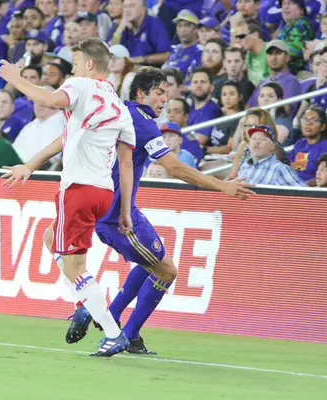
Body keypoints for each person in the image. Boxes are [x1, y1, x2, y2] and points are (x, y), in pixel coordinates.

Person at [82, 67, 254, 354]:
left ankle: (112, 319)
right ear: (141, 93)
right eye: (159, 93)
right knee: (167, 270)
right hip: (118, 215)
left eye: (167, 93)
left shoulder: (121, 111)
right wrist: (221, 185)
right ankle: (120, 331)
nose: (165, 99)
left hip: (108, 209)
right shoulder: (144, 122)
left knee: (151, 261)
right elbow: (174, 167)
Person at [0, 38, 137, 356]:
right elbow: (125, 162)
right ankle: (84, 302)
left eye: (74, 62)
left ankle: (113, 333)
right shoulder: (118, 105)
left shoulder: (81, 86)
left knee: (75, 268)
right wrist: (125, 209)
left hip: (77, 189)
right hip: (103, 191)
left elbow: (50, 99)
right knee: (51, 238)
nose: (71, 69)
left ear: (89, 64)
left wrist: (15, 79)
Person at [238, 124, 306, 186]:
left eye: (263, 139)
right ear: (249, 145)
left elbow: (305, 194)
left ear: (272, 146)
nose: (257, 142)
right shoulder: (245, 166)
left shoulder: (280, 169)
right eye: (254, 138)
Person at [13, 86, 65, 165]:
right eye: (36, 101)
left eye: (44, 101)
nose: (39, 105)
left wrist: (28, 168)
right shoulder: (30, 126)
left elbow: (52, 159)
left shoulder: (63, 123)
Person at [109, 0, 171, 66]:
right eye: (125, 6)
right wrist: (119, 30)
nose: (127, 10)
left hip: (147, 71)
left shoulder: (154, 24)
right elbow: (112, 53)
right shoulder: (121, 25)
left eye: (132, 6)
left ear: (143, 9)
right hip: (125, 70)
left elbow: (166, 55)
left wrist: (141, 59)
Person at [290, 105, 327, 184]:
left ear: (322, 127)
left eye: (313, 120)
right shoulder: (300, 144)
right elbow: (291, 167)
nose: (308, 124)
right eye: (305, 120)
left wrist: (303, 186)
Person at [247, 39, 300, 115]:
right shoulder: (263, 82)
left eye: (278, 53)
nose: (273, 58)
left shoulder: (291, 81)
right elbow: (249, 107)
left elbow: (286, 111)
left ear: (287, 57)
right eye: (270, 54)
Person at [188, 67, 222, 146]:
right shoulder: (190, 107)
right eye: (195, 82)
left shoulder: (211, 110)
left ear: (211, 88)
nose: (199, 85)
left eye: (203, 82)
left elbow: (200, 140)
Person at [164, 10, 201, 76]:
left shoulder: (200, 51)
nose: (183, 30)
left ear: (196, 29)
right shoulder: (175, 49)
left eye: (187, 25)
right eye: (179, 26)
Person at [233, 21, 269, 85]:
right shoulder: (246, 54)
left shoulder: (271, 51)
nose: (237, 41)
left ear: (255, 35)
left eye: (241, 36)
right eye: (236, 37)